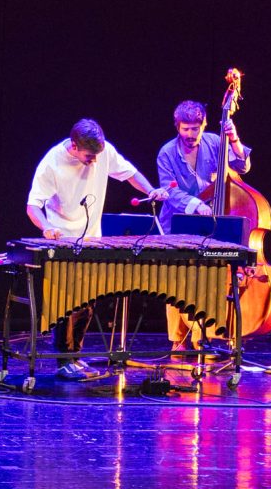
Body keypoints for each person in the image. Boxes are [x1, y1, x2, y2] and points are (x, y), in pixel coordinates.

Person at [25, 119, 169, 374]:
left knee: (86, 303)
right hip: (63, 241)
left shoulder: (104, 151)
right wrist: (46, 227)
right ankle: (64, 360)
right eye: (89, 156)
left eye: (96, 156)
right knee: (66, 303)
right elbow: (32, 206)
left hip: (92, 240)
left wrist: (150, 190)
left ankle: (75, 355)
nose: (93, 161)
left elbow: (130, 173)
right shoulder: (51, 163)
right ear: (74, 145)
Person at [154, 100, 252, 231]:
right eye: (185, 129)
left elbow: (242, 167)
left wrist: (234, 139)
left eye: (195, 129)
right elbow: (170, 191)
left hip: (211, 220)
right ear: (178, 128)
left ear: (204, 125)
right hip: (176, 223)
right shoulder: (166, 153)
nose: (190, 135)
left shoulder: (214, 142)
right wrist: (197, 205)